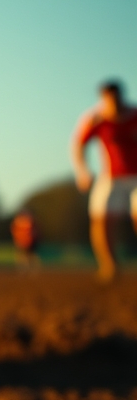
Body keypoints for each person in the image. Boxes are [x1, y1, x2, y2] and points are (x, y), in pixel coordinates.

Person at [72, 80, 137, 283]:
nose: (113, 103)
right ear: (103, 99)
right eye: (108, 99)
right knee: (100, 220)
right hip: (110, 177)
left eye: (116, 98)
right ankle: (110, 266)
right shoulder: (95, 119)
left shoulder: (135, 115)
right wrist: (83, 170)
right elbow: (78, 144)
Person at [11, 209, 40, 274]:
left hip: (25, 241)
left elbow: (14, 231)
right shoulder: (29, 221)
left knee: (25, 255)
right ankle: (28, 269)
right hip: (25, 241)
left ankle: (25, 269)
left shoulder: (18, 221)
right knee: (26, 256)